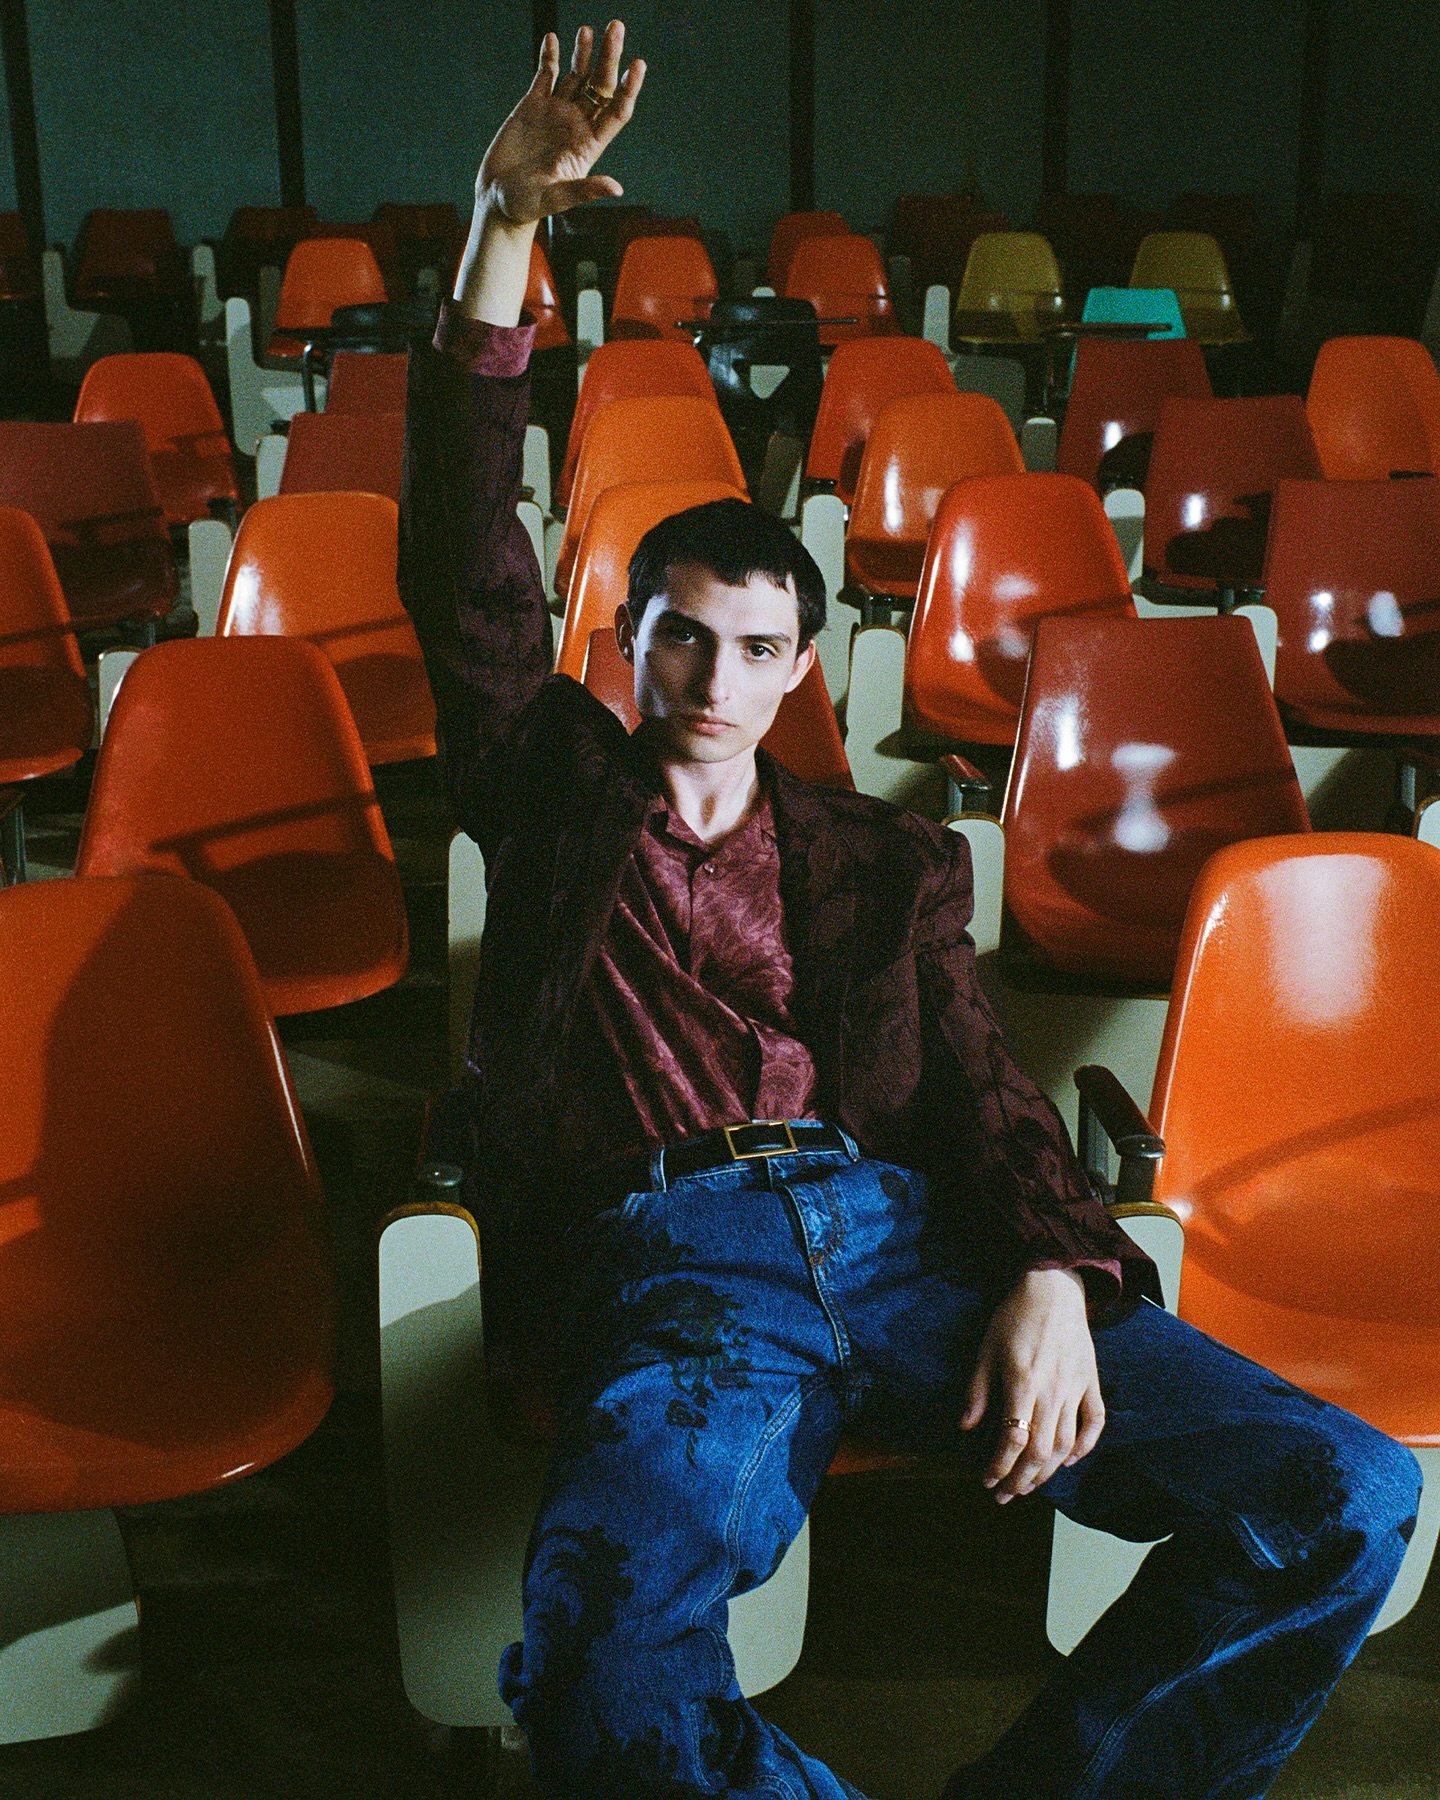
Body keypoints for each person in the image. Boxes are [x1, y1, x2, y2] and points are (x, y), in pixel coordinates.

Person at [398, 23, 1421, 1799]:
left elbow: (987, 1088)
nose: (715, 678)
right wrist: (505, 224)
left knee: (1350, 1494)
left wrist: (1054, 1268)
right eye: (681, 638)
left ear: (803, 667)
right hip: (678, 1268)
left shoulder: (883, 858)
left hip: (903, 1239)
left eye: (756, 648)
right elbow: (462, 559)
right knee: (596, 1673)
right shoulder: (553, 789)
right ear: (628, 643)